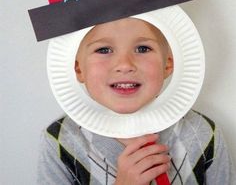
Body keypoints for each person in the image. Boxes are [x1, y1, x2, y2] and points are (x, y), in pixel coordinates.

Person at [37, 17, 236, 184]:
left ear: (168, 64)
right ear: (78, 69)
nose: (124, 65)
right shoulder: (61, 140)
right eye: (104, 50)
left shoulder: (203, 133)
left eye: (142, 48)